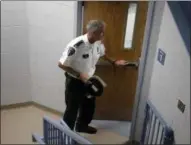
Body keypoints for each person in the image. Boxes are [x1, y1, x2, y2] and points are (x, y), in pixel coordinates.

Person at [58, 20, 127, 134]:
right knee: (72, 109)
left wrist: (114, 62)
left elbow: (102, 54)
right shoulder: (77, 45)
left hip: (89, 81)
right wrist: (79, 75)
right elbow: (61, 64)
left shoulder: (98, 43)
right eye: (102, 33)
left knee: (89, 107)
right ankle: (66, 134)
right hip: (75, 82)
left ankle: (82, 126)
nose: (103, 35)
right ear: (93, 32)